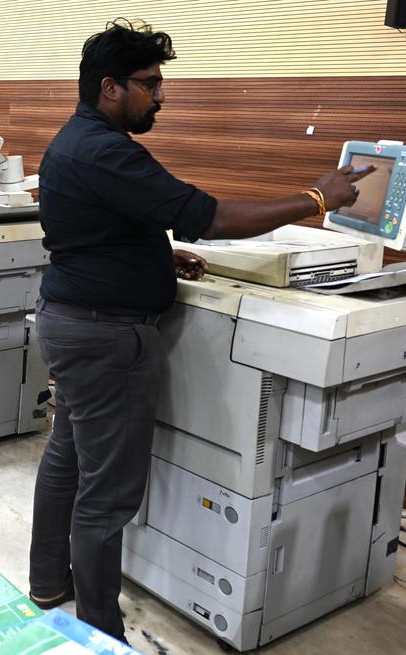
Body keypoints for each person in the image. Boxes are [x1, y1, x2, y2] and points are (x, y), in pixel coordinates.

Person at [27, 18, 374, 643]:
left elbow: (102, 229)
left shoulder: (75, 140)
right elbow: (208, 217)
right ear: (111, 87)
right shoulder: (108, 151)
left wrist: (157, 258)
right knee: (106, 496)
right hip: (109, 339)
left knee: (69, 457)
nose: (161, 96)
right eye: (150, 84)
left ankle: (49, 580)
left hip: (71, 320)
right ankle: (101, 632)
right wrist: (316, 199)